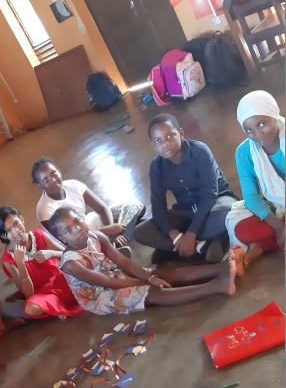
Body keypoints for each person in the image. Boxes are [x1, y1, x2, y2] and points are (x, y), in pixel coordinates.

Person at [48, 207, 241, 314]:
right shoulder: (71, 263)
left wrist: (149, 276)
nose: (77, 228)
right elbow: (106, 282)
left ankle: (224, 268)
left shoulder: (96, 236)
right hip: (101, 295)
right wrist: (145, 282)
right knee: (153, 292)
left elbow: (123, 262)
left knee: (162, 274)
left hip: (116, 274)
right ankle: (217, 286)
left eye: (77, 221)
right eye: (68, 230)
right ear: (63, 239)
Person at [135, 114, 237, 264]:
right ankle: (202, 245)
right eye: (158, 140)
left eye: (171, 136)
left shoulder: (200, 151)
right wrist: (175, 234)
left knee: (227, 213)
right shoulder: (156, 166)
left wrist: (190, 233)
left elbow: (209, 195)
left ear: (181, 133)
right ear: (152, 144)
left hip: (216, 202)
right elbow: (158, 207)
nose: (165, 144)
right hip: (186, 210)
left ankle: (175, 248)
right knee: (141, 231)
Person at [225, 90, 284, 269]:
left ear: (273, 114)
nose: (257, 134)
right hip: (278, 207)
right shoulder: (244, 153)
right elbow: (251, 198)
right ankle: (269, 240)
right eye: (249, 130)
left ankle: (261, 246)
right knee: (241, 228)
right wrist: (279, 227)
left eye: (262, 124)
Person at [0, 206, 83, 319]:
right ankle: (57, 307)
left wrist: (52, 253)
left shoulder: (38, 235)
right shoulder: (8, 260)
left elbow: (70, 254)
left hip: (62, 279)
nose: (16, 231)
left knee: (82, 267)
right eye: (8, 230)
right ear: (4, 236)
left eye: (16, 223)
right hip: (44, 294)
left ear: (22, 219)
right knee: (31, 309)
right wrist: (21, 264)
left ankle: (57, 308)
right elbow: (28, 293)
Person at [32, 157, 144, 249]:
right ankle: (118, 244)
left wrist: (111, 232)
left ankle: (115, 244)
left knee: (135, 206)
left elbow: (102, 209)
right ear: (39, 185)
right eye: (46, 180)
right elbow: (70, 241)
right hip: (77, 243)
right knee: (87, 248)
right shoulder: (44, 210)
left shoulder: (73, 185)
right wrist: (106, 231)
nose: (53, 180)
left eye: (54, 174)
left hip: (89, 224)